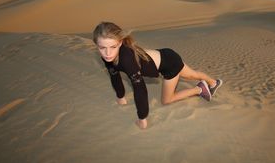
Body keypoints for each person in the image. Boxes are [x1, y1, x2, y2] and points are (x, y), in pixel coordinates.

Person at [93, 22, 223, 129]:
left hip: (169, 64)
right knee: (191, 74)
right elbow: (114, 75)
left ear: (120, 43)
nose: (107, 53)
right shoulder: (108, 57)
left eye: (113, 47)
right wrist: (120, 96)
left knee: (167, 99)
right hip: (166, 55)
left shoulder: (127, 60)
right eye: (102, 47)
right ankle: (213, 83)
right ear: (97, 45)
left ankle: (199, 89)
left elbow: (140, 89)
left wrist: (142, 118)